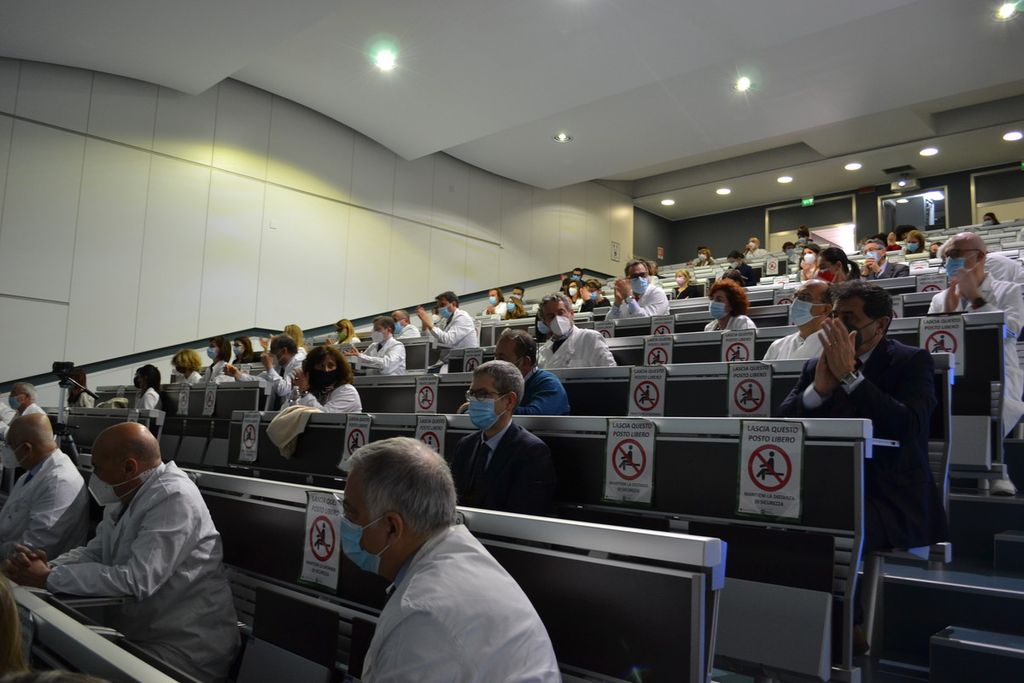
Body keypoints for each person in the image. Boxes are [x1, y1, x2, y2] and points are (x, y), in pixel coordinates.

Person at [3, 423, 240, 681]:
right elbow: (95, 552)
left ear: (129, 467)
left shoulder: (173, 497)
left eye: (98, 468)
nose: (95, 476)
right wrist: (47, 567)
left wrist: (49, 578)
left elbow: (137, 580)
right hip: (139, 633)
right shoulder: (125, 493)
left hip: (184, 646)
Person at [340, 437, 559, 681]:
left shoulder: (422, 618)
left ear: (392, 527)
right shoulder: (459, 555)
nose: (344, 522)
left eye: (350, 513)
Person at [778, 281, 948, 554]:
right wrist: (818, 391)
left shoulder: (912, 362)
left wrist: (850, 378)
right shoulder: (816, 364)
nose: (839, 325)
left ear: (880, 324)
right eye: (835, 316)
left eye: (849, 318)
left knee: (822, 526)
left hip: (889, 497)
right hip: (827, 486)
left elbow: (908, 426)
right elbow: (782, 423)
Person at [929, 232, 1024, 493]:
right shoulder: (940, 299)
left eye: (955, 254)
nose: (950, 261)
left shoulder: (1008, 290)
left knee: (992, 401)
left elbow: (1011, 330)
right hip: (954, 372)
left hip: (999, 371)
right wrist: (948, 312)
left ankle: (995, 466)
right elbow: (932, 340)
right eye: (947, 256)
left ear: (980, 256)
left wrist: (976, 299)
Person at [448, 361, 557, 515]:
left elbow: (525, 515)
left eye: (482, 394)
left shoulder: (531, 452)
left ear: (509, 401)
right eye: (471, 394)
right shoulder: (465, 445)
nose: (474, 401)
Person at [0, 414, 88, 562]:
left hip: (36, 569)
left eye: (9, 446)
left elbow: (35, 549)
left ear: (26, 449)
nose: (5, 451)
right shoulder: (32, 472)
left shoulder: (59, 482)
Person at [495, 329, 570, 416]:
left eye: (502, 358)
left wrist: (493, 409)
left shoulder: (549, 383)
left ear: (525, 362)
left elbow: (535, 416)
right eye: (495, 357)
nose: (495, 363)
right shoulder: (503, 384)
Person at [537, 293, 616, 369]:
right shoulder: (542, 352)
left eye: (561, 313)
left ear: (571, 314)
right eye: (551, 316)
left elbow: (611, 372)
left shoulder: (590, 338)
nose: (557, 319)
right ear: (545, 322)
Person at [763, 280, 831, 361]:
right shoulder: (777, 346)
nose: (796, 302)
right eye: (795, 296)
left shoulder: (835, 345)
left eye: (805, 297)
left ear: (826, 309)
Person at [227, 334, 304, 402]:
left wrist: (269, 367)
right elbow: (260, 379)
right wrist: (237, 374)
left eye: (273, 350)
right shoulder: (279, 365)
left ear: (284, 350)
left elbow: (283, 390)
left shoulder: (299, 364)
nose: (270, 354)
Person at [417, 291, 479, 373]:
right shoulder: (444, 321)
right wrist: (425, 322)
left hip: (463, 362)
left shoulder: (462, 317)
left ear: (453, 304)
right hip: (448, 362)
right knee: (424, 373)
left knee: (429, 375)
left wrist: (430, 324)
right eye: (439, 306)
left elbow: (448, 340)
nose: (440, 309)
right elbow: (434, 339)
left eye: (442, 305)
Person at [294, 345, 362, 413]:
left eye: (330, 365)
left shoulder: (347, 391)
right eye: (321, 365)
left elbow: (324, 416)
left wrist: (304, 393)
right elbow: (289, 410)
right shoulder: (314, 389)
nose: (326, 370)